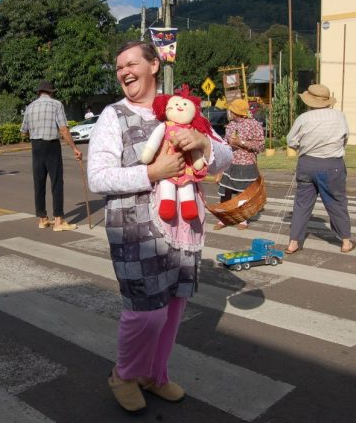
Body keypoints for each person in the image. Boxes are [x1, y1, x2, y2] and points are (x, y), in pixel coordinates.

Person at [87, 41, 232, 413]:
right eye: (119, 67)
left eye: (131, 63)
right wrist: (152, 172)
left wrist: (203, 142)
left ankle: (155, 374)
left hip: (184, 229)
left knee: (173, 308)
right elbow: (97, 177)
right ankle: (124, 374)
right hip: (135, 230)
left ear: (153, 65)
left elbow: (224, 157)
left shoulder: (182, 110)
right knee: (146, 313)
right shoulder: (113, 115)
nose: (124, 72)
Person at [285, 84, 356, 254]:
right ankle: (345, 242)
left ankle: (294, 242)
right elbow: (345, 138)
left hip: (307, 164)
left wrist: (304, 146)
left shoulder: (303, 118)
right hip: (332, 164)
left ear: (309, 101)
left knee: (302, 204)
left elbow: (291, 140)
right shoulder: (339, 116)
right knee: (336, 202)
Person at [21, 80, 82, 231]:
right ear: (51, 92)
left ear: (39, 92)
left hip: (36, 146)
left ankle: (42, 218)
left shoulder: (30, 107)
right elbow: (63, 129)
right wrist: (74, 148)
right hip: (51, 145)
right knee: (56, 182)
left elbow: (24, 131)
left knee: (39, 182)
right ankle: (58, 220)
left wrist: (35, 132)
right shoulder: (56, 104)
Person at [214, 98, 265, 230]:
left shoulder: (254, 124)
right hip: (230, 162)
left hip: (246, 164)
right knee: (225, 191)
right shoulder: (230, 125)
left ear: (236, 112)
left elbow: (260, 146)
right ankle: (223, 218)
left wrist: (241, 143)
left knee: (243, 193)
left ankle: (243, 220)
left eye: (230, 110)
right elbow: (225, 144)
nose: (228, 113)